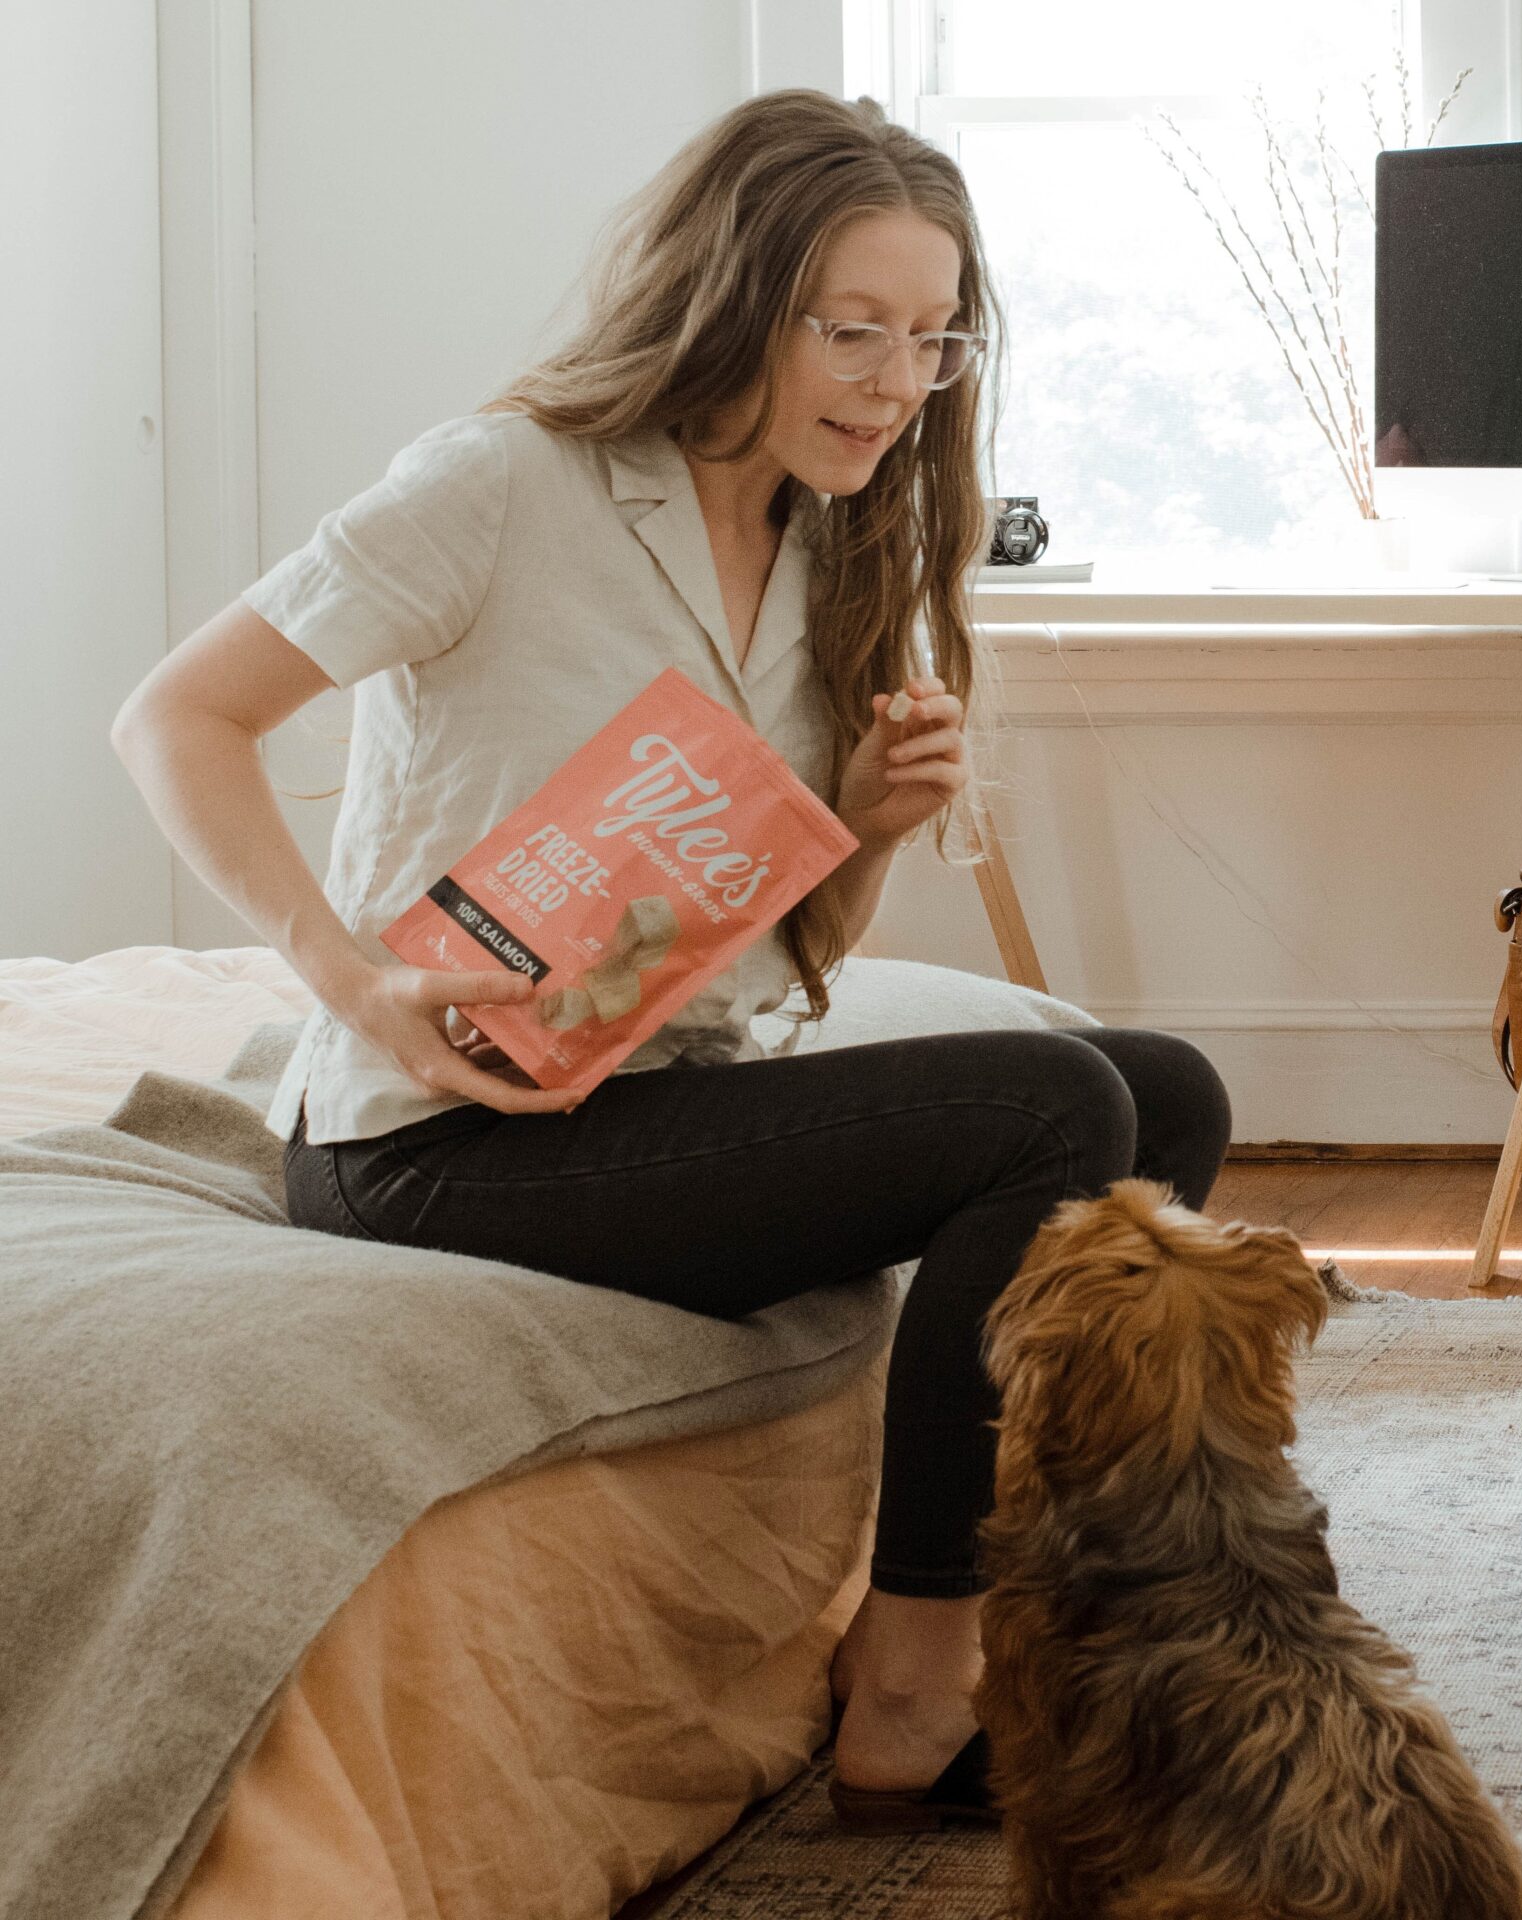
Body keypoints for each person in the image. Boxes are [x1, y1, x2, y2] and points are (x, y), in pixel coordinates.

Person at [112, 89, 1231, 1825]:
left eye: (932, 342)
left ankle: (1078, 1619)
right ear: (732, 296)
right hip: (437, 1146)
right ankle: (914, 1679)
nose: (893, 381)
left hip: (652, 1096)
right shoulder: (503, 484)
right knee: (1046, 1104)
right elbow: (175, 716)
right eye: (853, 330)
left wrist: (855, 817)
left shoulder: (828, 544)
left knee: (1161, 1093)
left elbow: (771, 954)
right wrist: (353, 984)